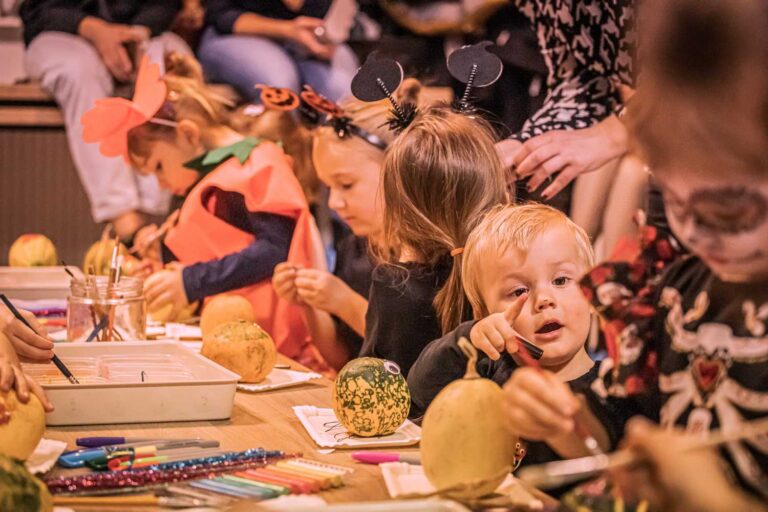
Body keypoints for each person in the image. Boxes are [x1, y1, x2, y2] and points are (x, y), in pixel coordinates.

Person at [503, 0, 768, 506]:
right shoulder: (678, 292)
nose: (696, 231)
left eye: (728, 211)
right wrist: (562, 421)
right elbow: (616, 426)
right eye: (677, 203)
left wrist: (713, 499)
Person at [81, 55, 328, 371]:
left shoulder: (258, 164)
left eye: (158, 167)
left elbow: (274, 251)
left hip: (280, 351)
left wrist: (190, 281)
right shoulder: (214, 178)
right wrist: (163, 263)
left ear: (188, 134)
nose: (162, 183)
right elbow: (224, 248)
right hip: (237, 342)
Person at [408, 204, 597, 441]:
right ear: (484, 314)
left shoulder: (611, 389)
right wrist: (470, 337)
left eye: (560, 280)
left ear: (593, 293)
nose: (544, 300)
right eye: (519, 291)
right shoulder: (485, 373)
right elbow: (419, 391)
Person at [20, 0, 191, 241]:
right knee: (79, 70)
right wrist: (95, 30)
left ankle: (156, 221)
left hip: (143, 31)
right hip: (62, 30)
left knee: (168, 64)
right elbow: (39, 10)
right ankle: (127, 225)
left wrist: (137, 32)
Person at [360, 105, 507, 376]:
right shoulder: (512, 282)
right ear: (497, 192)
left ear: (399, 209)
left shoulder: (395, 286)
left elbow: (368, 381)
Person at [272, 93, 401, 370]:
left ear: (397, 171)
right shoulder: (352, 249)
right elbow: (342, 358)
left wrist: (346, 303)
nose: (333, 203)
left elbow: (408, 355)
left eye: (346, 184)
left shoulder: (430, 259)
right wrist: (310, 303)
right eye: (328, 187)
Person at [198, 0, 358, 103]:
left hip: (303, 36)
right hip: (234, 33)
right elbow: (221, 16)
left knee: (344, 92)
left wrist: (328, 38)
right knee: (280, 88)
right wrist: (287, 30)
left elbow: (328, 13)